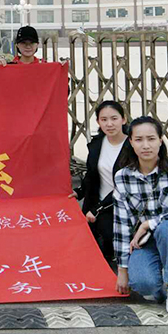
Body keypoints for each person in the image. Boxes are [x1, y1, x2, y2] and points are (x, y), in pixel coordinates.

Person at [113, 116, 168, 316]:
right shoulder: (123, 177)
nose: (145, 145)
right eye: (139, 139)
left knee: (167, 228)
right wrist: (122, 271)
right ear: (131, 142)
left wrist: (149, 224)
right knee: (143, 284)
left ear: (160, 140)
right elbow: (121, 226)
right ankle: (159, 290)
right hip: (145, 243)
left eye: (151, 139)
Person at [70, 100, 130, 265]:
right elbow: (91, 174)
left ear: (123, 119)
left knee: (107, 236)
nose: (109, 124)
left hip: (119, 205)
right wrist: (79, 192)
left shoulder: (132, 146)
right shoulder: (96, 144)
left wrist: (98, 209)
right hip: (95, 203)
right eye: (104, 119)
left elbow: (125, 186)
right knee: (80, 247)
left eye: (114, 118)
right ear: (98, 122)